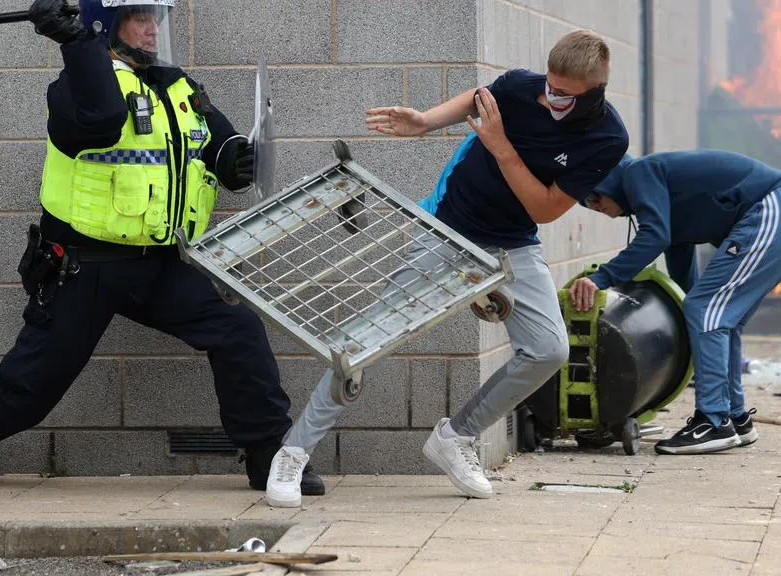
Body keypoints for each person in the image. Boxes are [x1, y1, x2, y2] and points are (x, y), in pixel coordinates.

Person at [0, 0, 324, 496]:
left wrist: (236, 159)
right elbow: (100, 120)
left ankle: (267, 460)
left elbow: (215, 145)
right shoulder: (74, 89)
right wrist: (74, 43)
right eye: (139, 17)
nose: (153, 28)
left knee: (237, 331)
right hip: (83, 267)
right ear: (107, 25)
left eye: (156, 16)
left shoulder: (177, 86)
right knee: (27, 392)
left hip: (156, 265)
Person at [261, 29, 630, 507]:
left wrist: (500, 147)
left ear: (594, 92)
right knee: (366, 341)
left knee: (548, 349)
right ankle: (293, 452)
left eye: (563, 93)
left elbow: (543, 208)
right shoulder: (523, 87)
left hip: (514, 241)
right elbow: (476, 99)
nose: (550, 96)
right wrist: (424, 121)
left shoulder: (607, 138)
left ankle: (456, 437)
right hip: (448, 226)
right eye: (548, 85)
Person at [570, 150, 781, 455]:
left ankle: (713, 422)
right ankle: (735, 418)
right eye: (586, 205)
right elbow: (680, 263)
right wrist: (691, 312)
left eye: (594, 197)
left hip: (774, 209)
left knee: (708, 310)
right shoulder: (661, 197)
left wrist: (601, 278)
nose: (596, 207)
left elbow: (654, 237)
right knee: (720, 318)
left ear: (608, 181)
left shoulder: (639, 172)